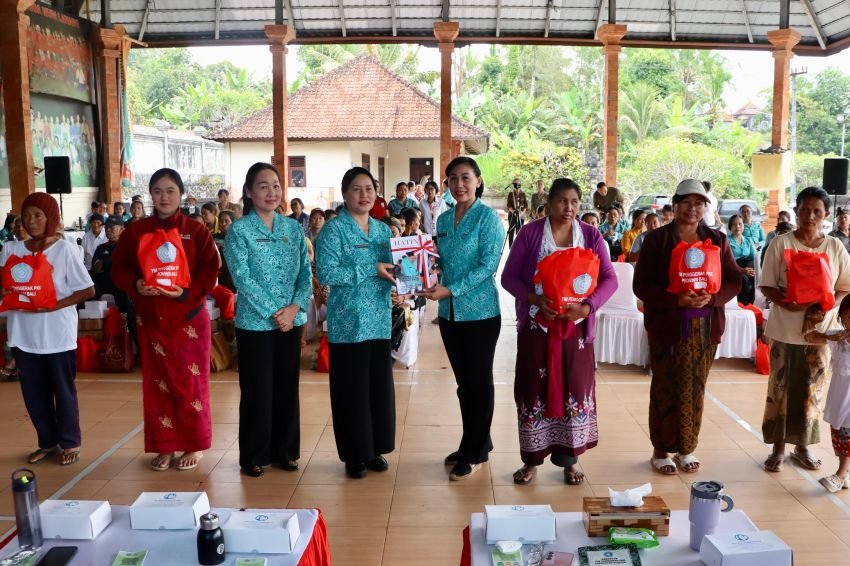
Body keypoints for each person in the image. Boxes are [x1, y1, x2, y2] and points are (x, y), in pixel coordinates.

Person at [501, 178, 617, 485]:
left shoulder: (591, 236)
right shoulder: (530, 234)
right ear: (549, 203)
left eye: (575, 202)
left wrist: (587, 307)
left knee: (575, 390)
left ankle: (571, 460)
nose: (568, 208)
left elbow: (609, 279)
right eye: (562, 201)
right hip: (537, 330)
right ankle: (531, 461)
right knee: (532, 390)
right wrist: (534, 299)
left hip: (576, 333)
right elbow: (509, 278)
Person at [111, 168, 220, 472]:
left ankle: (194, 443)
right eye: (157, 191)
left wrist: (185, 294)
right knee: (158, 386)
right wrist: (135, 285)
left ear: (181, 194)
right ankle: (165, 445)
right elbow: (118, 268)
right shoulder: (136, 231)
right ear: (150, 195)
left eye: (170, 190)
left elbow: (211, 271)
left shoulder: (195, 231)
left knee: (190, 384)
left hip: (187, 319)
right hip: (151, 321)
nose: (164, 197)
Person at [634, 179, 741, 475]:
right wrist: (675, 299)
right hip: (668, 328)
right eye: (686, 202)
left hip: (705, 329)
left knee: (695, 387)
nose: (692, 209)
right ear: (675, 204)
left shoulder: (717, 240)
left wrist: (714, 298)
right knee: (665, 386)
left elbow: (734, 279)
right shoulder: (657, 240)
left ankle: (687, 447)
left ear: (705, 207)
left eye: (698, 203)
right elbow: (640, 285)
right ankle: (661, 449)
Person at [224, 163, 312, 478]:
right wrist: (276, 312)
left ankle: (286, 452)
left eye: (276, 185)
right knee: (257, 390)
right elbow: (242, 278)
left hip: (291, 320)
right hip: (255, 324)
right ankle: (254, 454)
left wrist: (294, 308)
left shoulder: (292, 229)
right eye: (263, 186)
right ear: (249, 191)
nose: (271, 192)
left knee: (287, 388)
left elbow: (306, 273)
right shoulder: (239, 230)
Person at [420, 156, 505, 481]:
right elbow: (437, 259)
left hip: (481, 312)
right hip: (449, 314)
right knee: (463, 384)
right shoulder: (442, 221)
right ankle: (476, 442)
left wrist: (450, 289)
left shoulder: (488, 219)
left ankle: (473, 451)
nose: (459, 184)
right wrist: (426, 275)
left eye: (466, 178)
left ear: (478, 181)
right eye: (453, 179)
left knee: (478, 382)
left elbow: (487, 268)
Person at [760, 186, 850, 473]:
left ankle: (803, 447)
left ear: (826, 215)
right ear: (796, 211)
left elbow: (844, 288)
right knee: (781, 388)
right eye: (805, 210)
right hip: (785, 329)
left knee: (812, 391)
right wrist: (789, 304)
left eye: (817, 211)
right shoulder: (781, 243)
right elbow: (767, 285)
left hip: (820, 332)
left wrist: (825, 307)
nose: (810, 216)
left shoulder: (835, 247)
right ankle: (777, 448)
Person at [2, 193, 94, 466]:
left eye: (38, 215)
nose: (32, 221)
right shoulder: (11, 249)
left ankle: (69, 442)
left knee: (63, 391)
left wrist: (55, 305)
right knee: (33, 393)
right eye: (27, 215)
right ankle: (46, 442)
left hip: (57, 334)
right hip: (23, 334)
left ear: (51, 218)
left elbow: (87, 289)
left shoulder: (63, 249)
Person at [316, 167, 397, 479]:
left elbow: (394, 268)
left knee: (378, 388)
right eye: (356, 189)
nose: (364, 195)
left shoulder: (382, 231)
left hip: (378, 320)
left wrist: (404, 285)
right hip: (347, 322)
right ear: (345, 194)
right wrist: (370, 269)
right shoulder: (333, 232)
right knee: (351, 391)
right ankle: (354, 455)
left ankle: (375, 448)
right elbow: (327, 273)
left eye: (369, 189)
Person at [808, 295, 850, 492]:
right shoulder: (839, 339)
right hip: (840, 397)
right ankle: (845, 474)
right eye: (849, 316)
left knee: (847, 435)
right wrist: (830, 337)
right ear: (841, 317)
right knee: (840, 434)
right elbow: (809, 336)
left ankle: (840, 474)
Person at [727, 214, 756, 305]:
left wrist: (752, 270)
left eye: (740, 224)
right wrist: (741, 270)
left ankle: (751, 306)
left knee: (756, 280)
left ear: (743, 226)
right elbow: (728, 260)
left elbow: (754, 257)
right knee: (744, 281)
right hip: (734, 268)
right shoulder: (727, 241)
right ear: (730, 227)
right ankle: (742, 305)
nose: (737, 227)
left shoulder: (749, 240)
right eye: (734, 224)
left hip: (749, 266)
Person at [506, 177, 528, 248]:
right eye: (514, 183)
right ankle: (511, 248)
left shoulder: (523, 194)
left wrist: (521, 213)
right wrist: (513, 212)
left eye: (517, 183)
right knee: (511, 232)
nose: (516, 185)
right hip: (512, 215)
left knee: (520, 232)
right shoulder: (511, 194)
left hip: (521, 216)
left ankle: (519, 248)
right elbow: (508, 205)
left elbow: (526, 205)